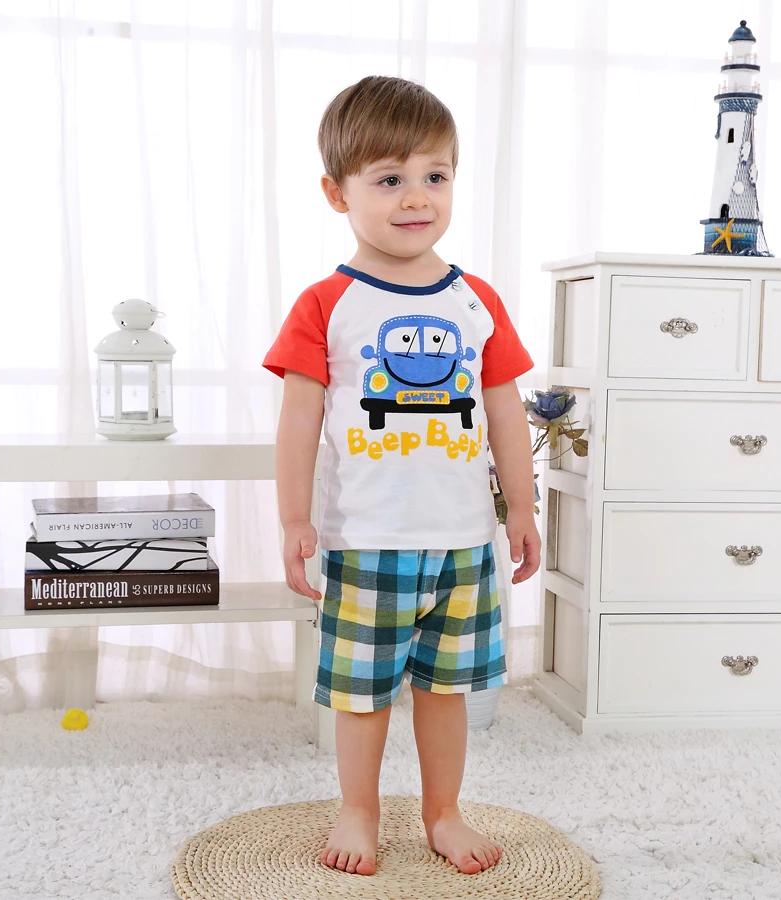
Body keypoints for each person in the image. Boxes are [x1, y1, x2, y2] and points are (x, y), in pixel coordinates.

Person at [262, 75, 540, 877]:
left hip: (462, 544)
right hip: (367, 542)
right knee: (363, 693)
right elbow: (298, 421)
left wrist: (520, 508)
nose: (417, 197)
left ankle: (442, 811)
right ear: (336, 193)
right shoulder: (328, 303)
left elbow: (505, 412)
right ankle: (358, 808)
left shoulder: (476, 300)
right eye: (390, 179)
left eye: (435, 175)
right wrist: (293, 519)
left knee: (446, 690)